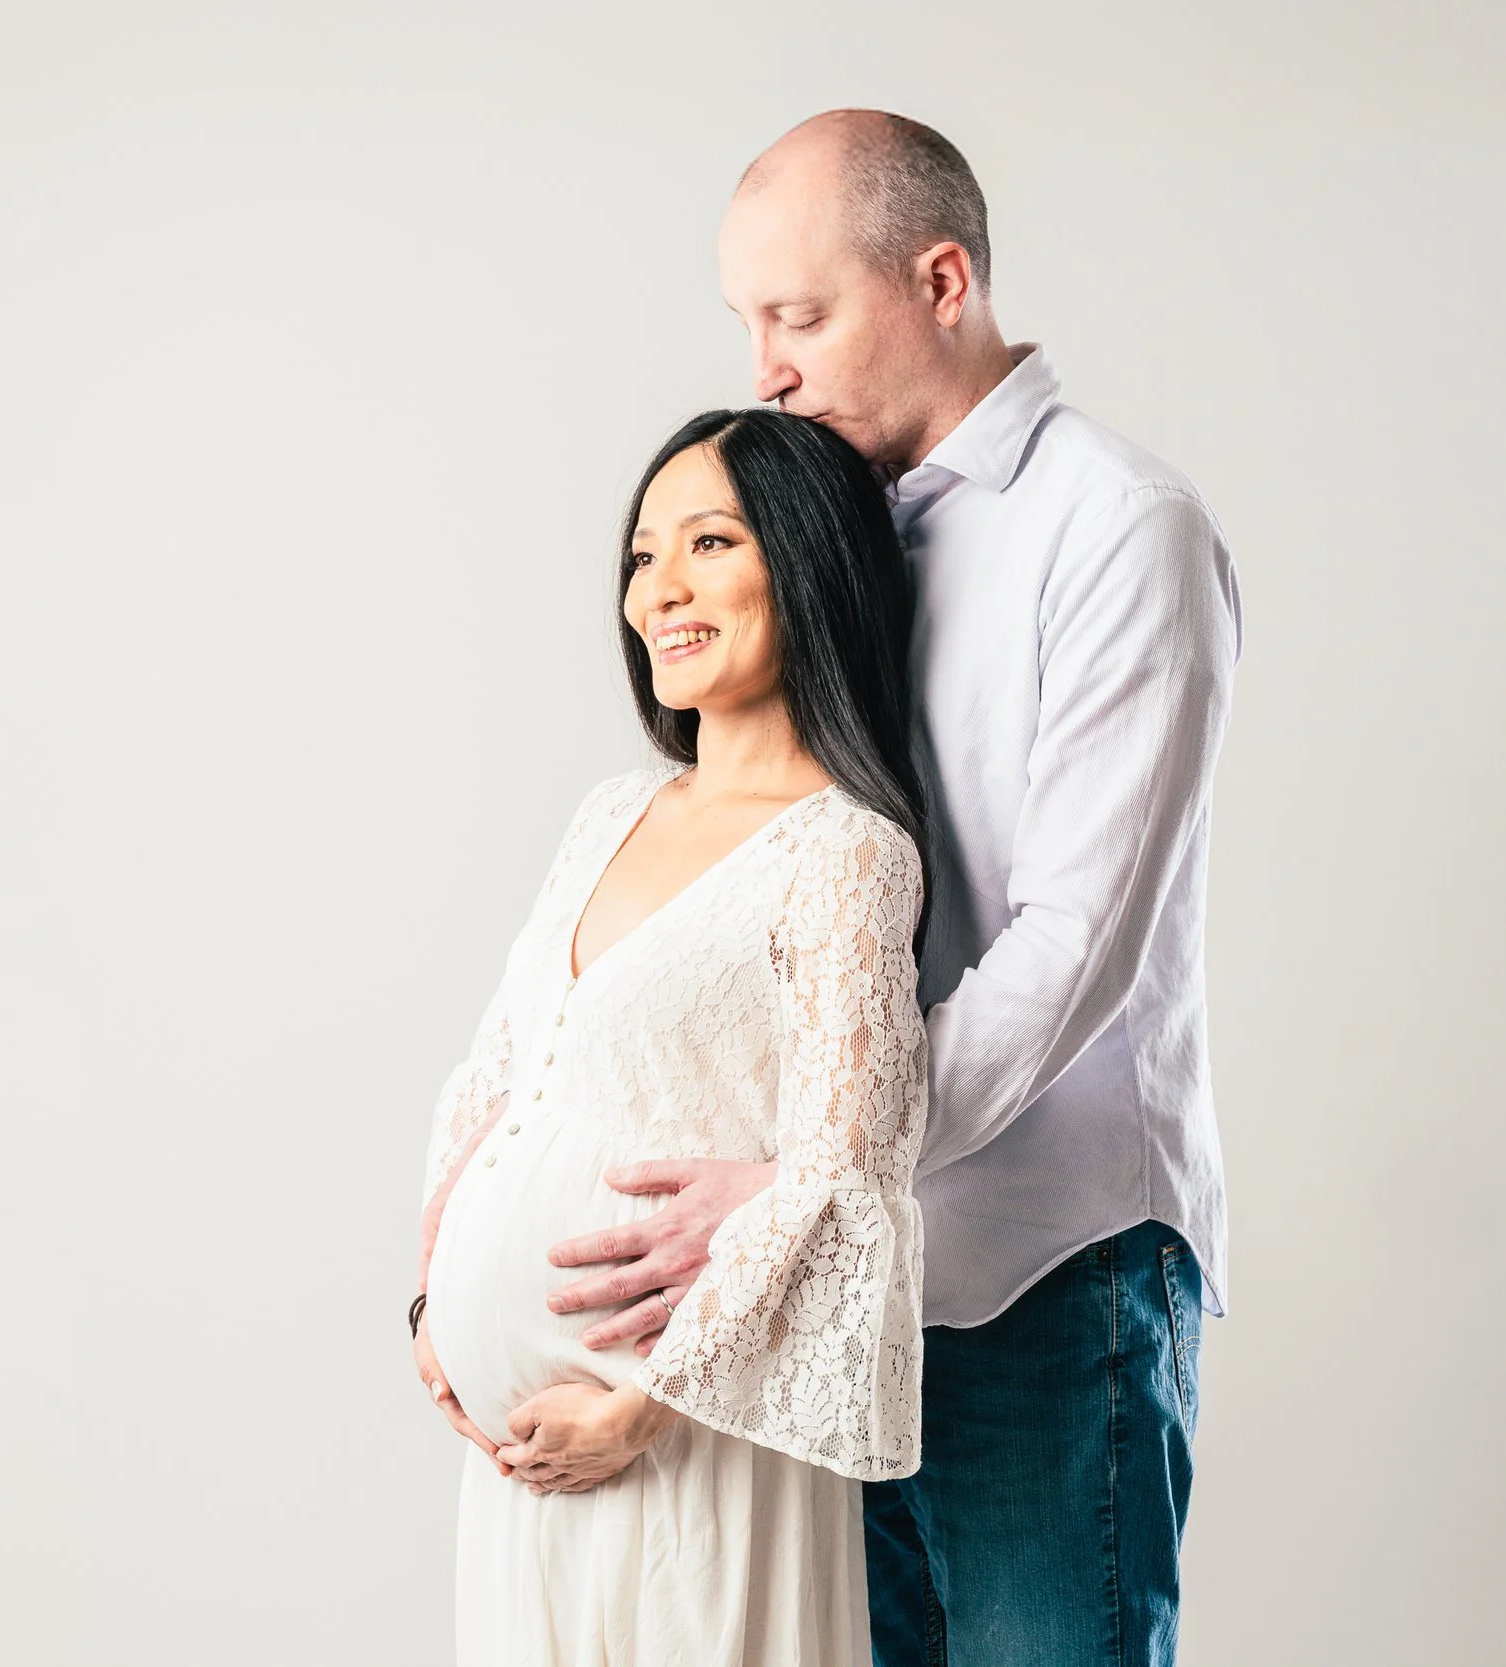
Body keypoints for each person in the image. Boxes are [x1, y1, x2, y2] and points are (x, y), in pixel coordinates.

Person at [539, 112, 1242, 1664]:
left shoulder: (1119, 531)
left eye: (799, 316)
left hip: (1045, 1269)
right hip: (831, 1286)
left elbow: (1074, 949)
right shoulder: (838, 528)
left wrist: (811, 1173)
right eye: (747, 324)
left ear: (942, 280)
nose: (766, 365)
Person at [411, 406, 932, 1665]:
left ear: (806, 563)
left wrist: (640, 1411)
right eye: (644, 555)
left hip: (688, 1446)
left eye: (709, 543)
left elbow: (847, 1181)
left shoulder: (845, 852)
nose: (661, 590)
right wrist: (430, 1308)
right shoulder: (614, 810)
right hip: (522, 1462)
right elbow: (496, 1070)